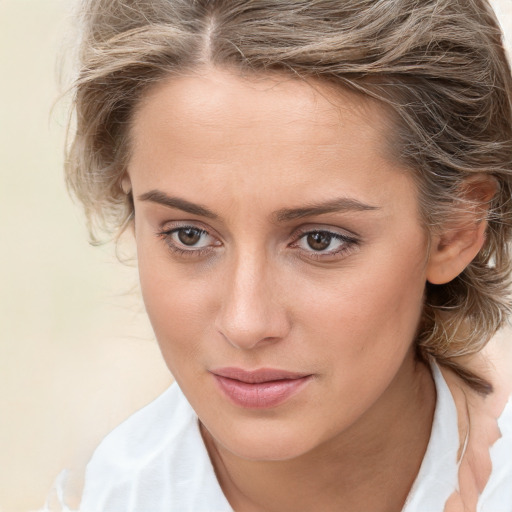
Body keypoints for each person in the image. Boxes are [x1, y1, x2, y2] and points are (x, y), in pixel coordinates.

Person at [57, 0, 512, 510]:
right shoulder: (106, 494)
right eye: (188, 235)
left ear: (454, 230)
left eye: (321, 240)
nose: (246, 323)